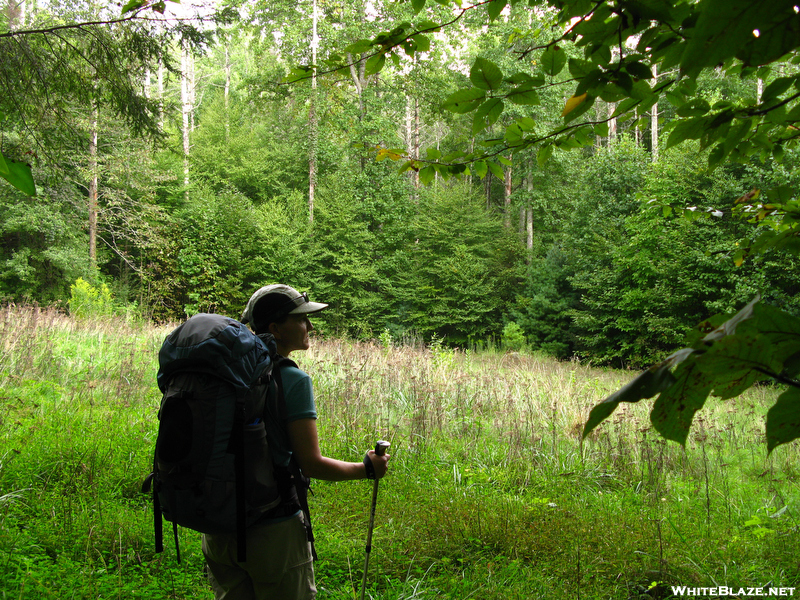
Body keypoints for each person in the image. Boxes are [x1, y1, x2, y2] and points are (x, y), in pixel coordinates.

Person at [201, 284, 390, 600]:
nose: (310, 326)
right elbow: (311, 463)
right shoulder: (292, 380)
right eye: (301, 318)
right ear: (275, 328)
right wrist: (366, 469)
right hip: (272, 531)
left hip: (218, 525)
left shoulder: (225, 373)